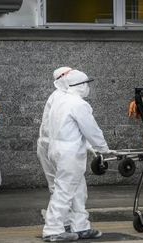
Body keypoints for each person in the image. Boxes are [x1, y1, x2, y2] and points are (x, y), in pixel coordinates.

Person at [42, 70, 109, 242]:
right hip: (69, 154)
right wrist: (103, 149)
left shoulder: (60, 100)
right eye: (85, 83)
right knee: (64, 191)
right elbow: (91, 130)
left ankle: (81, 227)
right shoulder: (78, 104)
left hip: (57, 150)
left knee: (78, 191)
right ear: (78, 86)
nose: (87, 87)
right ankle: (52, 230)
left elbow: (68, 129)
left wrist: (92, 148)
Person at [37, 66, 72, 194]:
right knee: (58, 184)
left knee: (59, 183)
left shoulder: (63, 95)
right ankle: (60, 213)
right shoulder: (59, 97)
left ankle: (61, 212)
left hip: (51, 144)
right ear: (62, 77)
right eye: (70, 74)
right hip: (51, 145)